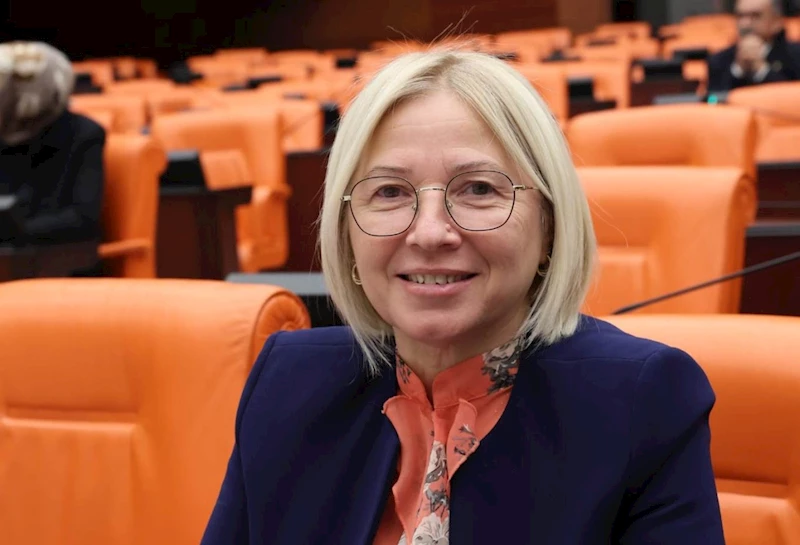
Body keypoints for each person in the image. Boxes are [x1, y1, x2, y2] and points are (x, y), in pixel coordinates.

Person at [201, 48, 725, 544]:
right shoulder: (286, 384)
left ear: (548, 226)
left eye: (478, 189)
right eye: (389, 192)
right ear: (347, 233)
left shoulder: (642, 402)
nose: (429, 233)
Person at [0, 41, 106, 249]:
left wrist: (15, 231)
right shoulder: (3, 130)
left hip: (52, 252)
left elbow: (82, 218)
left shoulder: (83, 134)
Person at [707, 0, 800, 91]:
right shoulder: (719, 60)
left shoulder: (795, 55)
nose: (745, 24)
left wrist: (761, 70)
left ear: (777, 22)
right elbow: (712, 98)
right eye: (740, 16)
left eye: (756, 15)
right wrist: (738, 70)